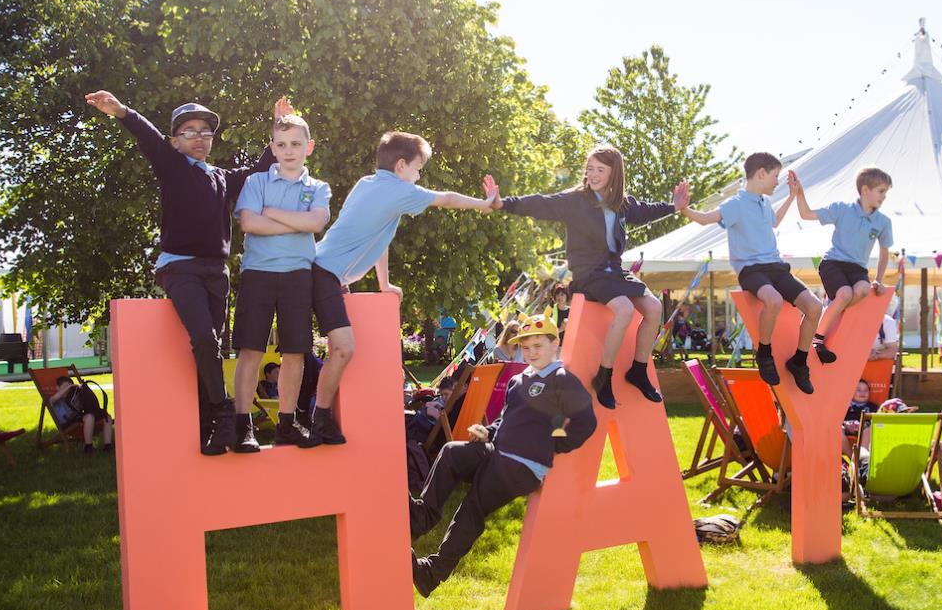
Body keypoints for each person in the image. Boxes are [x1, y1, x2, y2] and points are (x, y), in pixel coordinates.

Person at [84, 90, 291, 454]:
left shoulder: (222, 177)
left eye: (206, 132)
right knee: (205, 340)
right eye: (190, 131)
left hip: (217, 273)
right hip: (181, 270)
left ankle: (209, 427)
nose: (199, 137)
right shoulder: (172, 165)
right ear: (175, 141)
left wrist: (277, 128)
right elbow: (147, 136)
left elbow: (260, 169)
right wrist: (122, 111)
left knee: (211, 352)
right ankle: (224, 413)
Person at [309, 131, 497, 444]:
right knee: (344, 348)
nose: (419, 175)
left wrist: (384, 284)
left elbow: (379, 237)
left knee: (342, 349)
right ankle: (320, 419)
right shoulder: (400, 191)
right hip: (323, 274)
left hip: (326, 273)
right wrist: (484, 203)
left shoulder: (367, 184)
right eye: (418, 169)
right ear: (400, 166)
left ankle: (324, 414)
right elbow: (447, 198)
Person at [410, 310, 596, 597]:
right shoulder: (519, 380)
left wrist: (552, 444)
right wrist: (489, 432)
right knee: (451, 452)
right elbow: (503, 420)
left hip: (521, 466)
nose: (532, 352)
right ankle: (421, 516)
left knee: (472, 508)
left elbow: (586, 423)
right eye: (526, 347)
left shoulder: (562, 380)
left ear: (554, 344)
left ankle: (431, 573)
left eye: (538, 346)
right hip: (497, 451)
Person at [486, 147, 683, 409]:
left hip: (614, 270)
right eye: (590, 169)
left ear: (615, 174)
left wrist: (674, 207)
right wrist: (502, 203)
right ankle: (604, 376)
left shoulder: (622, 203)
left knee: (654, 308)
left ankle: (638, 369)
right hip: (588, 271)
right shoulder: (576, 200)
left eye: (600, 170)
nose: (593, 174)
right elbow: (541, 203)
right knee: (623, 309)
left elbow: (647, 210)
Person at [673, 153, 823, 393]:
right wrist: (684, 209)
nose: (777, 181)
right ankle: (764, 354)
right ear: (761, 174)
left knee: (815, 307)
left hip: (776, 267)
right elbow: (705, 219)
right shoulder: (736, 204)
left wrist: (792, 197)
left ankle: (799, 361)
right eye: (775, 176)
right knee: (773, 300)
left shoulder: (764, 202)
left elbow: (774, 222)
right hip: (751, 270)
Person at [232, 114, 329, 450]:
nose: (289, 151)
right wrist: (297, 224)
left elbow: (316, 221)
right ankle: (243, 426)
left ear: (309, 147)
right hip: (258, 273)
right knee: (250, 350)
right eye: (283, 144)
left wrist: (271, 213)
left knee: (296, 351)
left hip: (298, 276)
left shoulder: (318, 188)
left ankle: (287, 423)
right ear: (273, 147)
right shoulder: (256, 182)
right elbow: (248, 223)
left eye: (296, 144)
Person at [786, 167, 894, 364]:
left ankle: (831, 311)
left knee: (862, 290)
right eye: (881, 191)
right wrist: (799, 194)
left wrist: (879, 280)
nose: (884, 196)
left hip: (857, 268)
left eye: (886, 192)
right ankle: (817, 338)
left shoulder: (883, 222)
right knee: (844, 294)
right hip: (833, 263)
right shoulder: (842, 209)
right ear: (865, 190)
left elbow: (884, 252)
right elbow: (806, 214)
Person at [50, 376, 114, 453]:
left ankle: (107, 446)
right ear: (57, 388)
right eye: (65, 387)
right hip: (68, 425)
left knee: (106, 416)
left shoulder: (73, 397)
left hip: (79, 419)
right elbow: (54, 399)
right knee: (89, 417)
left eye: (69, 387)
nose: (68, 389)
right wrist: (69, 386)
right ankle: (88, 447)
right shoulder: (54, 400)